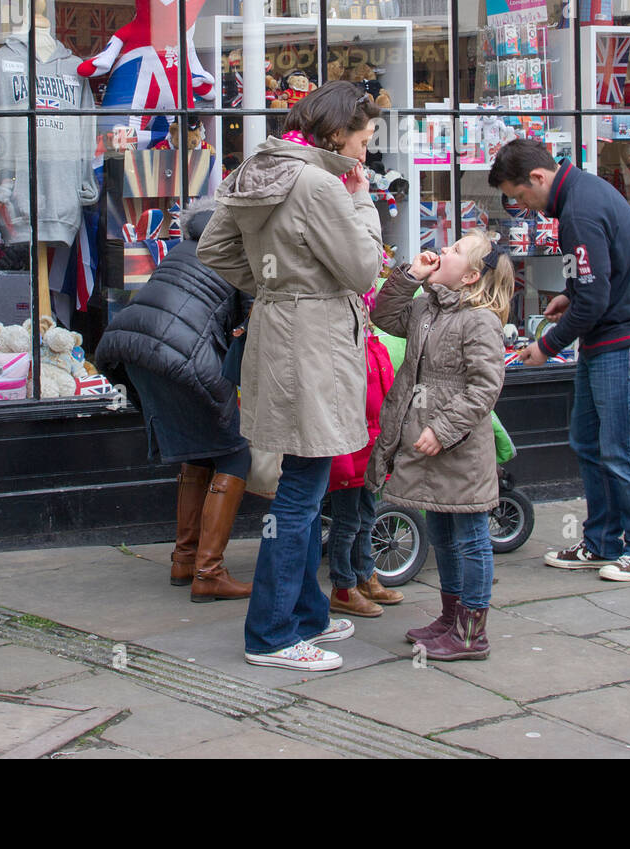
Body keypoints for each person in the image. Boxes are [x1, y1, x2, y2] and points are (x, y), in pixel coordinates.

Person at [197, 82, 383, 672]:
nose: (367, 152)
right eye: (365, 138)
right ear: (339, 134)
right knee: (302, 493)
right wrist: (362, 202)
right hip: (316, 341)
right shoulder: (323, 183)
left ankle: (306, 616)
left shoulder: (260, 167)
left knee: (303, 480)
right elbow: (361, 268)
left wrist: (274, 287)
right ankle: (273, 635)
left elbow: (214, 246)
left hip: (279, 332)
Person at [488, 138, 630, 582]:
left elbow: (597, 299)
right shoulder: (582, 195)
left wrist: (547, 347)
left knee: (623, 448)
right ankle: (602, 543)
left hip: (627, 342)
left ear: (537, 177)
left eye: (520, 195)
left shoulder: (579, 211)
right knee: (590, 443)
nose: (523, 206)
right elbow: (600, 279)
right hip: (612, 339)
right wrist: (571, 296)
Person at [95, 200, 252, 601]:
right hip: (182, 354)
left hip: (133, 345)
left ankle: (184, 560)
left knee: (201, 451)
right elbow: (255, 327)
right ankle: (208, 571)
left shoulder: (183, 247)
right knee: (235, 454)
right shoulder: (240, 253)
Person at [367, 230, 511, 660]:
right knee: (444, 535)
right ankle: (450, 617)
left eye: (453, 250)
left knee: (469, 538)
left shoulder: (480, 321)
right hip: (426, 442)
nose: (442, 250)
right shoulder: (426, 309)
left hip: (459, 451)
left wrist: (443, 429)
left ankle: (472, 632)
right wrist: (410, 274)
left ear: (469, 277)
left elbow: (485, 388)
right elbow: (383, 315)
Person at [326, 329, 404, 617]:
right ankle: (344, 586)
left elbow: (387, 395)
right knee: (346, 521)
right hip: (350, 448)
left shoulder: (375, 346)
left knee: (366, 516)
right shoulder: (343, 351)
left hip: (371, 447)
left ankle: (365, 576)